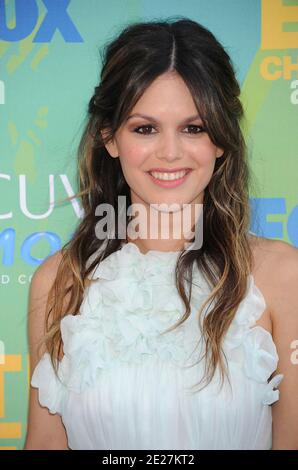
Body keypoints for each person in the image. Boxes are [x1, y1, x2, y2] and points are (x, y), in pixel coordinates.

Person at [24, 18, 298, 450]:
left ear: (221, 139)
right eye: (144, 128)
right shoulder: (59, 282)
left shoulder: (282, 274)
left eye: (194, 128)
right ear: (109, 137)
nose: (170, 152)